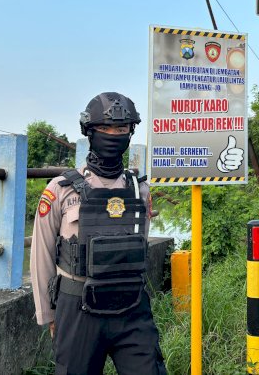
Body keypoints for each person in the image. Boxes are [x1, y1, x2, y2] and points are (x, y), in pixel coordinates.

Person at [30, 92, 167, 375]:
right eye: (105, 128)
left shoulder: (138, 189)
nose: (113, 135)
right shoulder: (60, 190)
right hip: (77, 306)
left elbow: (140, 244)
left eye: (121, 129)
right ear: (89, 132)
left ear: (130, 132)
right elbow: (41, 254)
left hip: (131, 305)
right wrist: (49, 314)